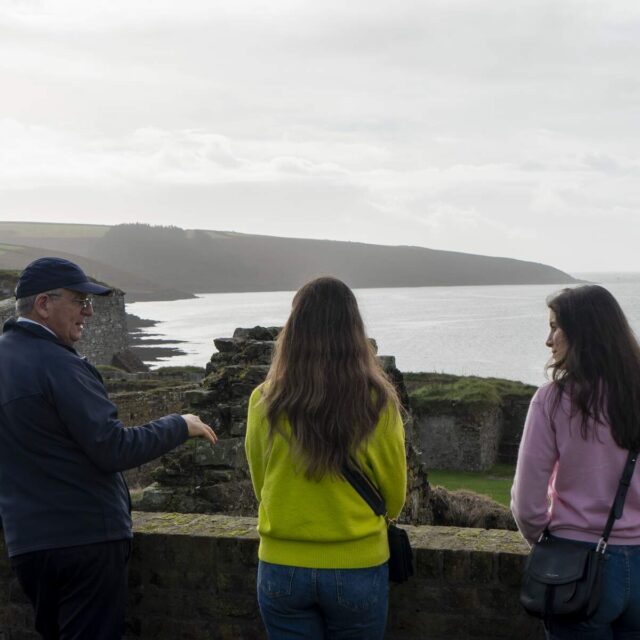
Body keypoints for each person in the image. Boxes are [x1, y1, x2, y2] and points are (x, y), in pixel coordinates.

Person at [0, 256, 218, 640]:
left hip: (28, 544)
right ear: (44, 304)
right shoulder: (59, 365)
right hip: (84, 540)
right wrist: (178, 425)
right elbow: (112, 448)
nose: (88, 311)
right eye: (78, 300)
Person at [244, 276, 407, 640]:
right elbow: (394, 498)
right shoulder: (377, 402)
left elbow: (261, 485)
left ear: (294, 329)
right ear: (354, 332)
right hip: (358, 565)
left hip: (281, 566)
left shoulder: (263, 400)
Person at [511, 285, 640, 639]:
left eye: (556, 327)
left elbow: (527, 504)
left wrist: (545, 542)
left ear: (582, 333)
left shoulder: (552, 400)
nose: (548, 340)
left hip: (575, 567)